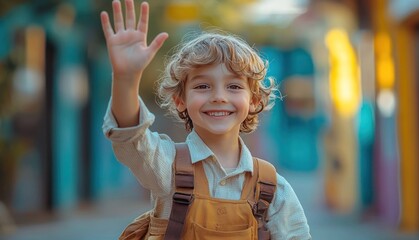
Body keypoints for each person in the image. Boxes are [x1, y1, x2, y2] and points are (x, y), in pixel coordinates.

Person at [101, 0, 311, 239]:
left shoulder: (274, 189)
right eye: (203, 86)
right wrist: (125, 78)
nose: (219, 97)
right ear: (180, 100)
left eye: (233, 86)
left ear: (253, 100)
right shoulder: (166, 167)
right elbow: (130, 137)